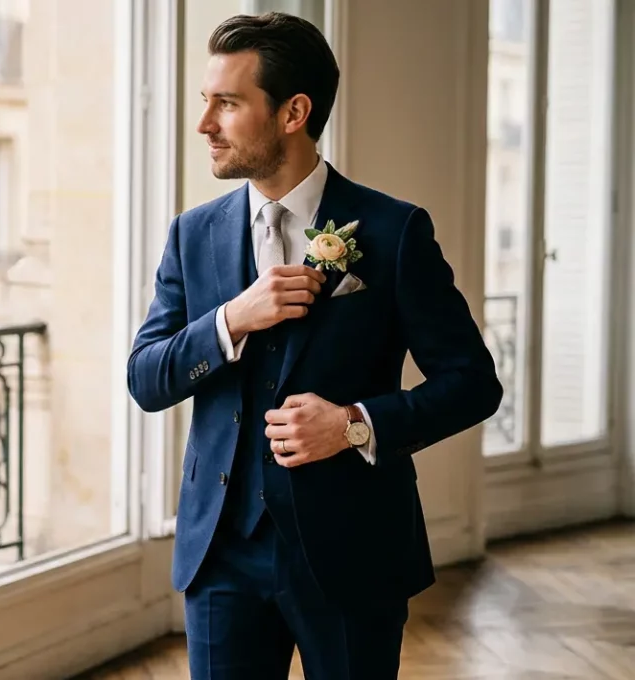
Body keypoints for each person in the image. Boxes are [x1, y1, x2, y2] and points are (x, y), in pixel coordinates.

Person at [126, 11, 503, 680]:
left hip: (353, 548)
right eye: (205, 100)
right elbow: (147, 379)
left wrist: (355, 424)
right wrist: (231, 320)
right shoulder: (192, 235)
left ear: (293, 111)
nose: (203, 123)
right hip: (221, 556)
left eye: (228, 103)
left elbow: (472, 382)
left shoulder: (392, 231)